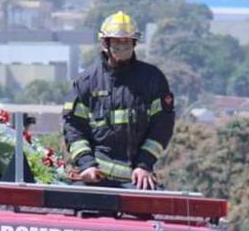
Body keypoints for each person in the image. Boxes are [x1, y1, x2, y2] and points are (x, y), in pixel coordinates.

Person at [63, 11, 174, 190]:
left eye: (127, 41)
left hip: (137, 178)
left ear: (134, 43)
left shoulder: (152, 79)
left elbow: (162, 127)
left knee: (155, 209)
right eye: (116, 41)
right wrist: (87, 164)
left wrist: (144, 165)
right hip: (95, 176)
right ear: (105, 44)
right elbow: (74, 128)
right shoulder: (86, 82)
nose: (122, 46)